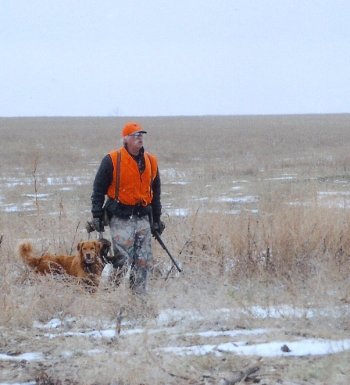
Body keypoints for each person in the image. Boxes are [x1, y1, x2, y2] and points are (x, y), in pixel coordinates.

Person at [90, 122, 164, 294]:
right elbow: (98, 188)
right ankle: (110, 296)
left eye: (141, 135)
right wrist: (96, 213)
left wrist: (157, 220)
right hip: (120, 216)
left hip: (143, 217)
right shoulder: (112, 159)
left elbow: (156, 193)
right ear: (126, 139)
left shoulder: (151, 162)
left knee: (143, 261)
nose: (139, 138)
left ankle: (138, 301)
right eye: (135, 135)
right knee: (123, 260)